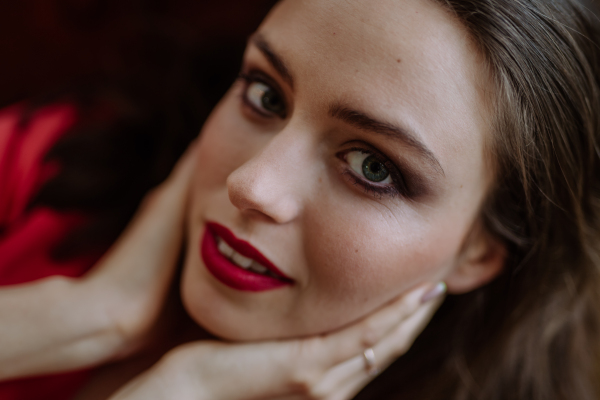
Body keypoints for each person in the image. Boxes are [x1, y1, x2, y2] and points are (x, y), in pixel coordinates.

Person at [2, 0, 600, 399]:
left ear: (477, 251)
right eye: (265, 95)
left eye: (373, 167)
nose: (252, 185)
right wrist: (82, 316)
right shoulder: (47, 160)